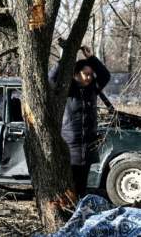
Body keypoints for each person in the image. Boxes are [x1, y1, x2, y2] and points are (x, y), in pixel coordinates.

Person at [59, 45, 111, 197]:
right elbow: (51, 78)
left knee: (82, 185)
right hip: (70, 145)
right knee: (69, 185)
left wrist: (91, 58)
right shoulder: (67, 88)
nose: (89, 77)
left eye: (91, 74)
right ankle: (69, 211)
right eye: (85, 74)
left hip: (88, 145)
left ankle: (78, 211)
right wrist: (65, 58)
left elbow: (105, 76)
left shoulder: (92, 88)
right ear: (75, 74)